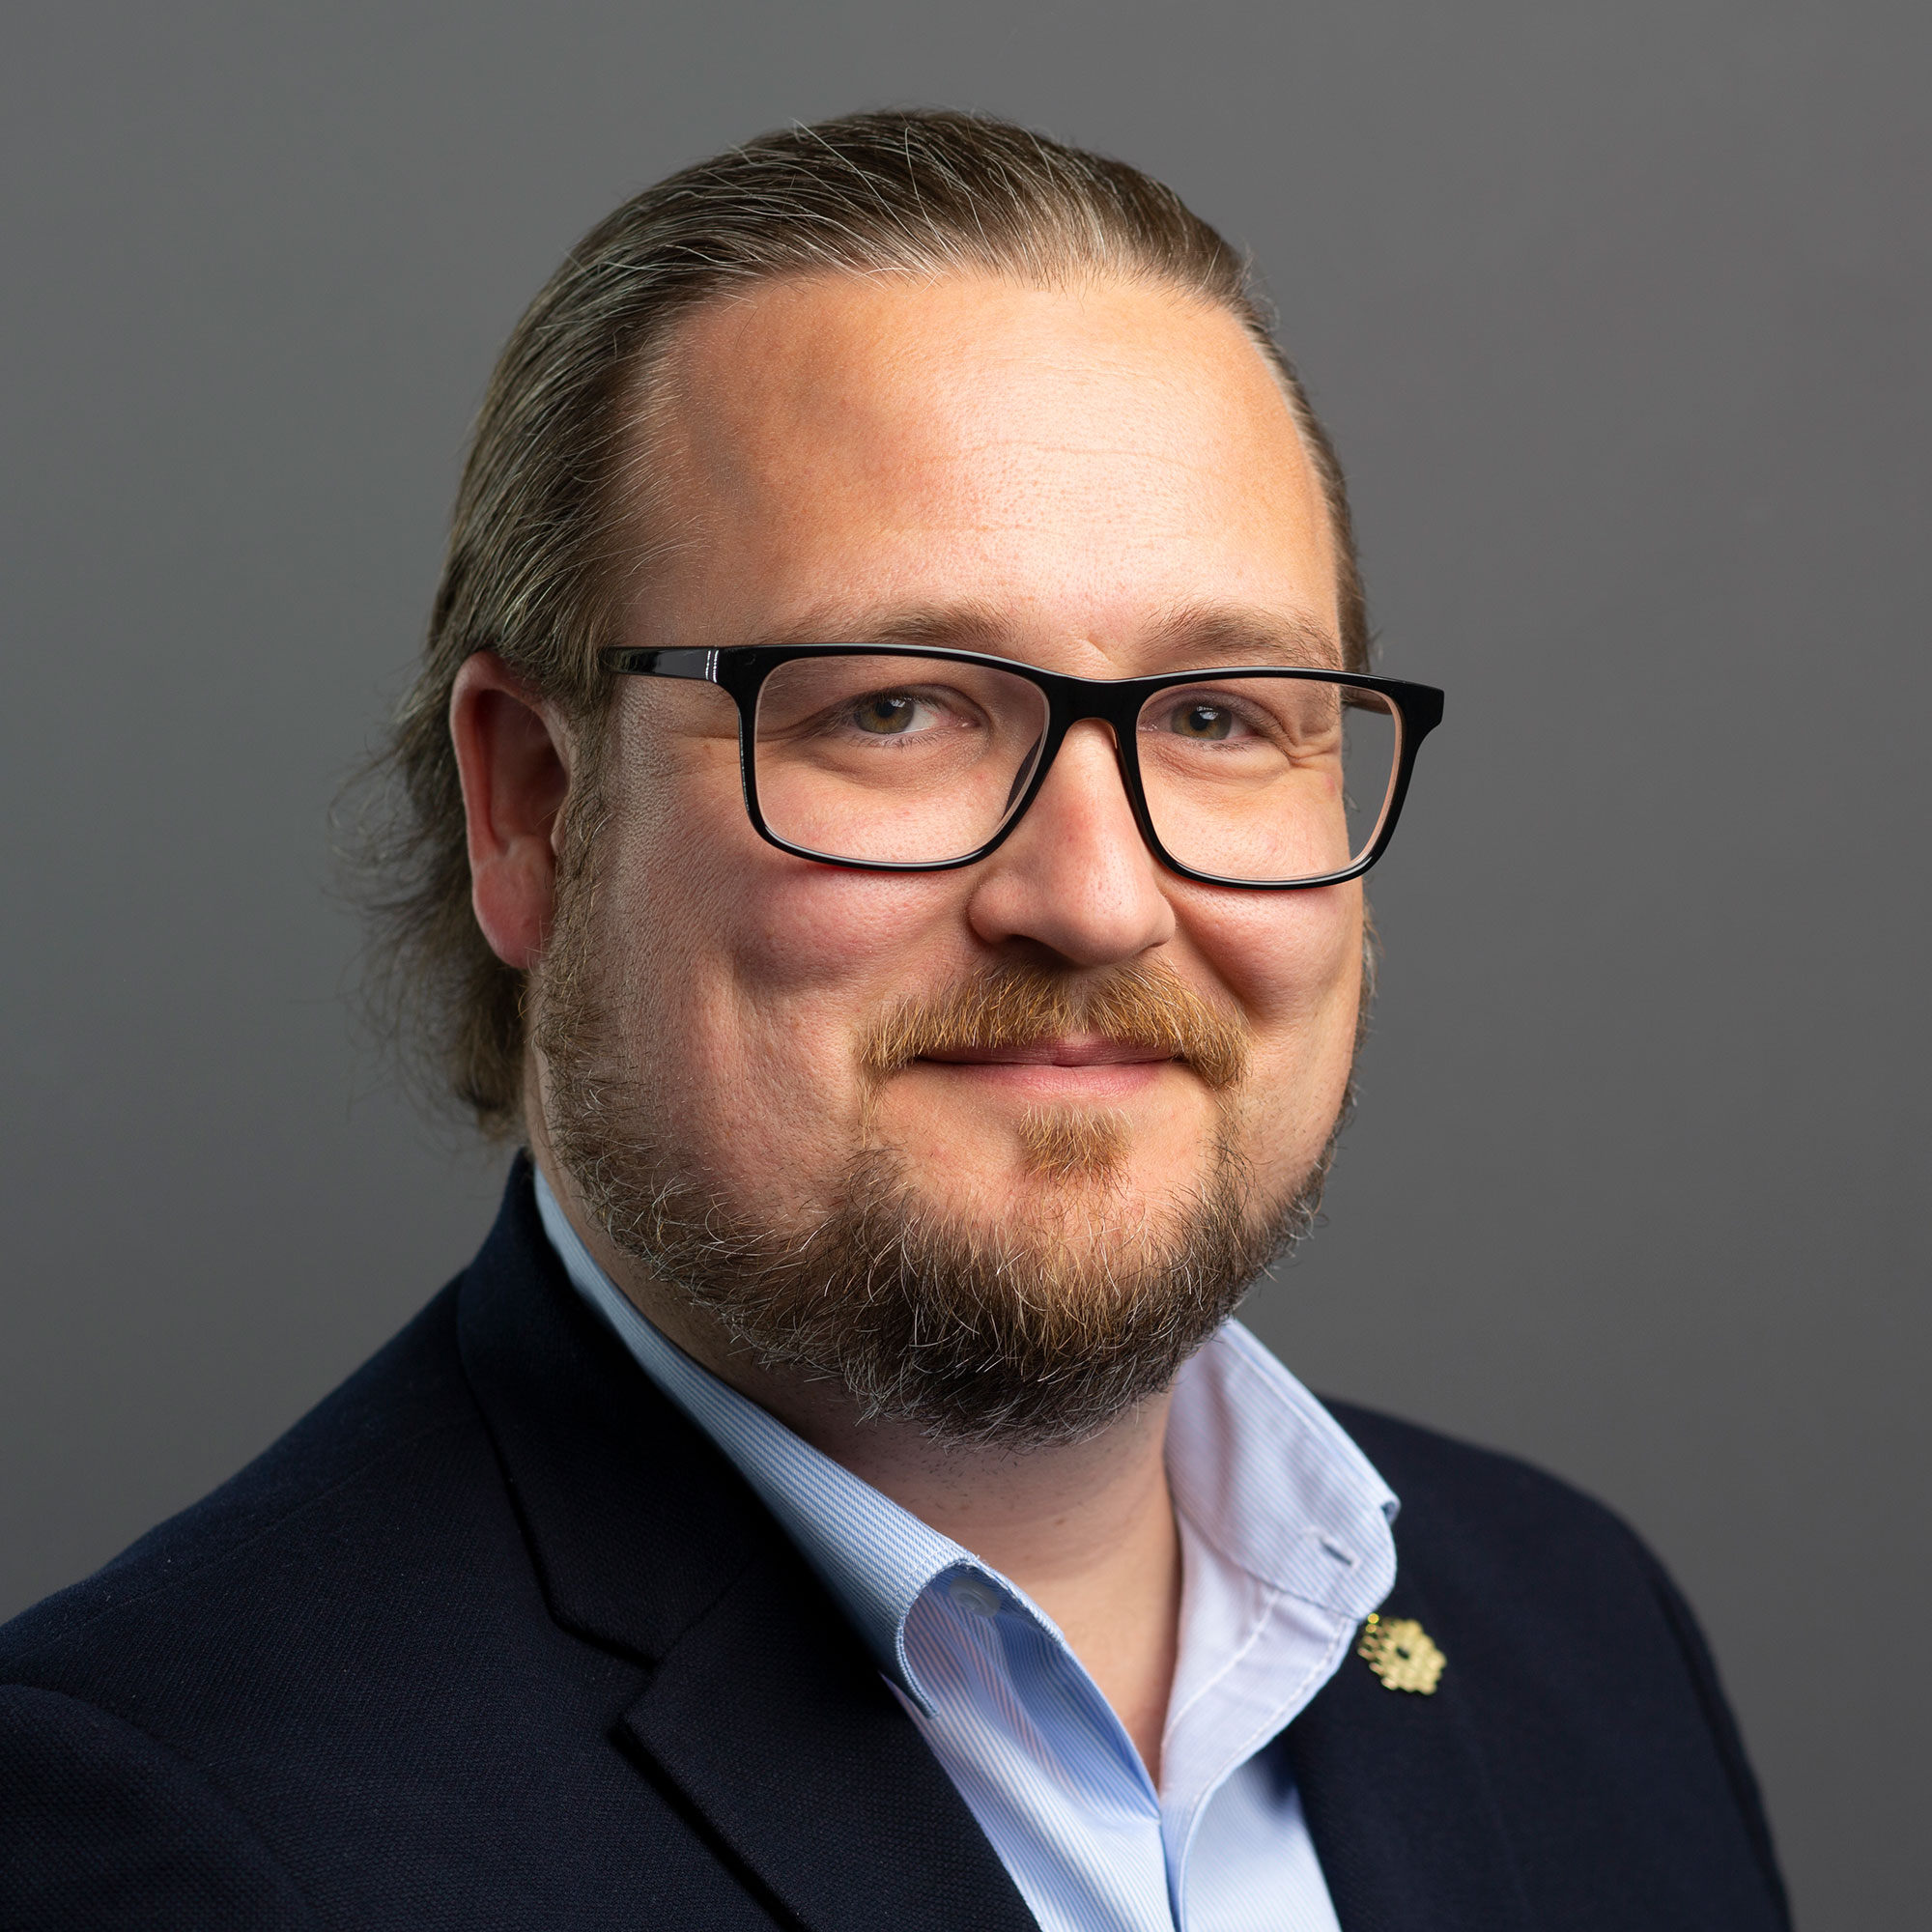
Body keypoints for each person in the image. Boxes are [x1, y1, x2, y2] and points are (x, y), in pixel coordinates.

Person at [0, 110, 1787, 1930]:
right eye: (896, 710)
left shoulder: (1576, 1634)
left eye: (1221, 717)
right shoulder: (163, 1834)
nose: (1096, 899)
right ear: (532, 806)